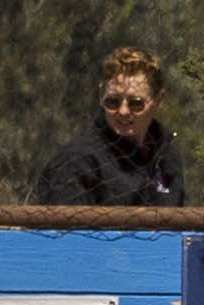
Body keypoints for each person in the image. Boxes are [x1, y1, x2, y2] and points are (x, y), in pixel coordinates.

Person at [38, 46, 188, 207]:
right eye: (113, 102)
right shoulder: (76, 162)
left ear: (158, 101)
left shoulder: (166, 159)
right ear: (101, 95)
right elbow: (66, 230)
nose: (123, 111)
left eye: (136, 103)